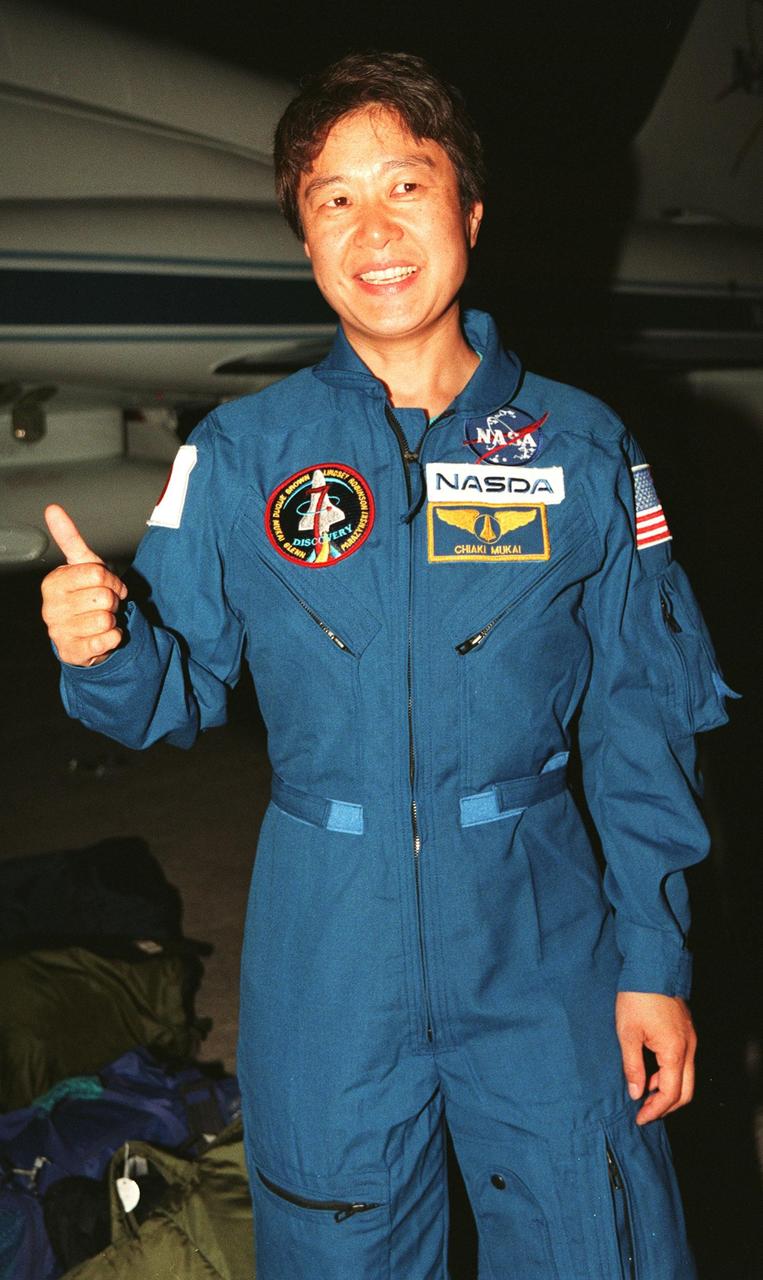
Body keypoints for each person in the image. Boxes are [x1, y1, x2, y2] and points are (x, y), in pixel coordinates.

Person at [41, 51, 734, 1279]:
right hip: (327, 933)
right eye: (334, 198)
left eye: (406, 185)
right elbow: (172, 693)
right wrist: (103, 646)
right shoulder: (242, 452)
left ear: (470, 210)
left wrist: (652, 959)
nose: (373, 229)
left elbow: (639, 717)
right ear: (304, 237)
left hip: (539, 923)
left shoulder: (580, 446)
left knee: (594, 1230)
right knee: (335, 1236)